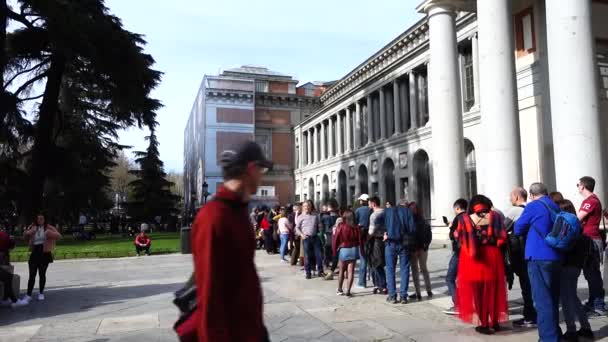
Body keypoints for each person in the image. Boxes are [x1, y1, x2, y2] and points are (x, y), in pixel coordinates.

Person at [191, 140, 271, 341]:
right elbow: (209, 294)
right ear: (251, 169)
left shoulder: (238, 211)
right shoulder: (214, 217)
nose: (262, 176)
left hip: (250, 329)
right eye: (261, 170)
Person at [515, 182, 562, 341]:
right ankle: (555, 334)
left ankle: (548, 338)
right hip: (556, 256)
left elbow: (518, 228)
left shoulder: (533, 206)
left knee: (542, 301)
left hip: (538, 257)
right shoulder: (554, 205)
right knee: (553, 299)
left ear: (531, 195)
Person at [455, 195, 508, 335]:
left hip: (474, 257)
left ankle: (484, 323)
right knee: (493, 289)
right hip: (493, 255)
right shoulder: (495, 216)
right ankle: (495, 322)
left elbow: (460, 239)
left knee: (478, 291)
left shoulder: (464, 219)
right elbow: (502, 237)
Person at [556, 199, 594, 341]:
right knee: (573, 297)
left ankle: (571, 330)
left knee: (566, 299)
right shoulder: (577, 225)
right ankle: (585, 328)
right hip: (576, 266)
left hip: (566, 266)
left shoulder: (566, 227)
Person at [504, 187, 537, 328]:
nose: (509, 199)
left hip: (520, 253)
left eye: (511, 196)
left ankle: (529, 316)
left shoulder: (514, 210)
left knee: (526, 286)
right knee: (531, 285)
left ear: (517, 197)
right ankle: (534, 314)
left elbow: (502, 228)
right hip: (533, 250)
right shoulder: (530, 208)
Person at [576, 176, 607, 315]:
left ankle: (598, 304)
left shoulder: (590, 201)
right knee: (590, 273)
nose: (577, 187)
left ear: (582, 186)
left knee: (593, 273)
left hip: (591, 240)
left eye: (578, 184)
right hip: (590, 240)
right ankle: (594, 301)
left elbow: (578, 218)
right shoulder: (592, 200)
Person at [383, 199, 416, 304]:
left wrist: (386, 232)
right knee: (405, 269)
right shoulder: (408, 212)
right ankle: (403, 296)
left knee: (390, 270)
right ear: (405, 205)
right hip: (404, 244)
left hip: (390, 243)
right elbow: (412, 229)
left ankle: (392, 296)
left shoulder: (388, 211)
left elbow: (381, 224)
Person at [23, 214, 61, 302]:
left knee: (42, 274)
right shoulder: (32, 227)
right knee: (32, 274)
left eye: (42, 218)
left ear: (45, 219)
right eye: (38, 218)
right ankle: (28, 294)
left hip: (44, 253)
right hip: (35, 251)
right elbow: (24, 238)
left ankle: (41, 293)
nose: (40, 220)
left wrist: (49, 233)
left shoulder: (49, 228)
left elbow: (59, 236)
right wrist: (28, 232)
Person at [443, 198, 467, 315]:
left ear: (457, 208)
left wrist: (451, 227)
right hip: (469, 253)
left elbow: (453, 236)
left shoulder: (458, 218)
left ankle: (457, 304)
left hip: (459, 253)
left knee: (450, 278)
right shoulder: (470, 217)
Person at [333, 210, 363, 297]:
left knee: (341, 270)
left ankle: (339, 289)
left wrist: (335, 250)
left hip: (344, 248)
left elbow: (336, 239)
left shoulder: (341, 226)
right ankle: (348, 291)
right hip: (353, 249)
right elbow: (360, 240)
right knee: (351, 271)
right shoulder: (356, 227)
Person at [409, 202, 433, 301]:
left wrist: (418, 247)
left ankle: (419, 292)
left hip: (416, 248)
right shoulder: (423, 220)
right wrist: (425, 245)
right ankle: (427, 290)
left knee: (416, 270)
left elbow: (412, 236)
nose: (411, 210)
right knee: (423, 269)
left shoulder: (411, 221)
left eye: (412, 209)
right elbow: (429, 235)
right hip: (422, 248)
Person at [295, 200, 325, 279]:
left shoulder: (315, 215)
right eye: (305, 206)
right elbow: (297, 228)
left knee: (319, 255)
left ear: (311, 206)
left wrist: (321, 232)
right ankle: (308, 272)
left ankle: (320, 271)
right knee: (307, 256)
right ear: (303, 207)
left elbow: (319, 225)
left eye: (308, 206)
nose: (306, 207)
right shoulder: (300, 217)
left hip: (315, 237)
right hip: (306, 238)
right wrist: (301, 234)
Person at [0, 228, 28, 308]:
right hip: (4, 254)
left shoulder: (3, 235)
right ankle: (14, 301)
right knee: (8, 276)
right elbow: (9, 246)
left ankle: (6, 299)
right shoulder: (4, 236)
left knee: (7, 276)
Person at [368, 197, 387, 294]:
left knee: (376, 263)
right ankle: (380, 284)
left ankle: (381, 285)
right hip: (386, 240)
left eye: (369, 204)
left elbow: (371, 231)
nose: (368, 206)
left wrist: (366, 239)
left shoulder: (374, 215)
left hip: (376, 240)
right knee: (383, 263)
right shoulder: (386, 212)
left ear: (373, 204)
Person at [355, 194, 372, 288]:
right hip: (371, 235)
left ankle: (362, 282)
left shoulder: (358, 210)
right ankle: (375, 280)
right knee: (371, 258)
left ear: (362, 201)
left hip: (361, 236)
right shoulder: (371, 209)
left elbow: (355, 223)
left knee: (363, 259)